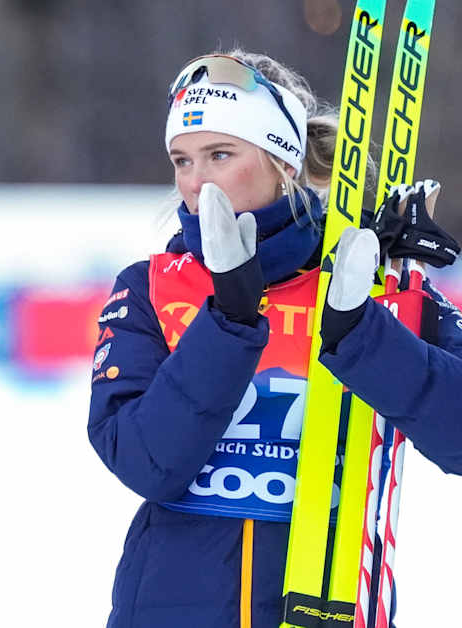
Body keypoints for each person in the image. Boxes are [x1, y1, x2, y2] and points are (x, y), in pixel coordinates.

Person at [87, 50, 462, 627]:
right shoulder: (152, 287)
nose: (196, 182)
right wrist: (229, 320)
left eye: (220, 154)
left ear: (283, 162)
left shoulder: (368, 281)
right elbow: (145, 463)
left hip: (328, 600)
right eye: (182, 160)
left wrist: (365, 333)